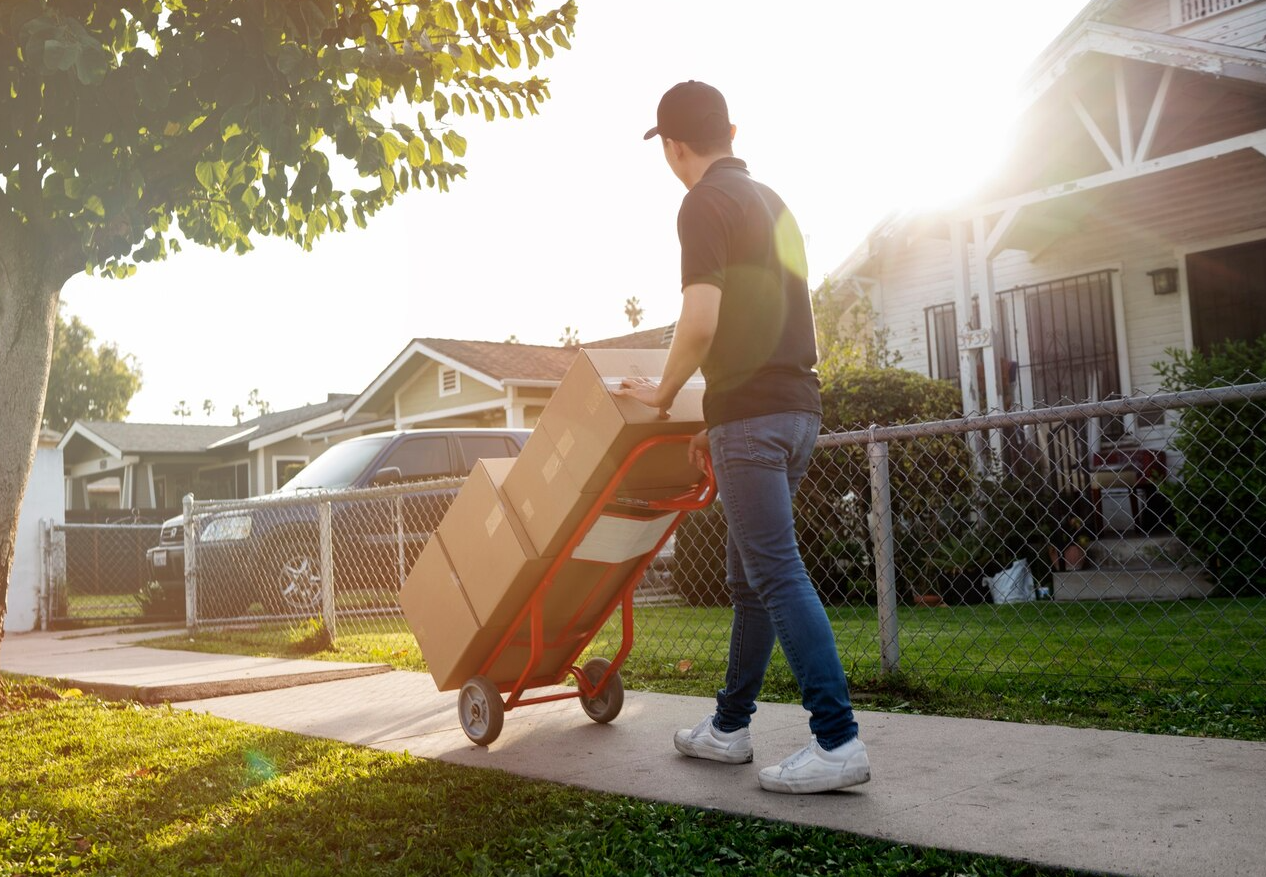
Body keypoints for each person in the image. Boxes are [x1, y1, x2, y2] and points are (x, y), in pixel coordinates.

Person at [615, 80, 869, 794]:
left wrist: (666, 396)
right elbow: (765, 321)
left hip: (754, 419)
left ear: (674, 146)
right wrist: (710, 419)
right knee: (751, 579)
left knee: (776, 573)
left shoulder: (702, 203)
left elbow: (701, 320)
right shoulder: (772, 201)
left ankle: (837, 738)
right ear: (731, 130)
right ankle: (729, 727)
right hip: (795, 410)